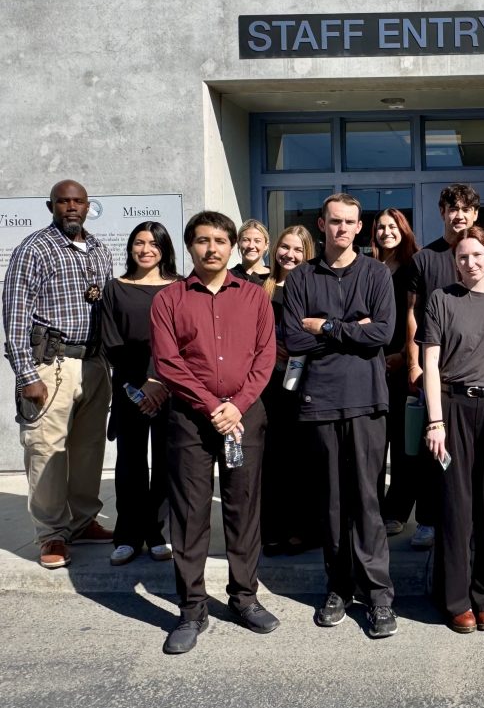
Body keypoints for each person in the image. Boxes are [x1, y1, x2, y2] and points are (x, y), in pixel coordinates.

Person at [150, 211, 278, 654]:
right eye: (202, 241)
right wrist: (212, 406)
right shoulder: (169, 299)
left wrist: (236, 406)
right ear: (190, 246)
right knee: (190, 516)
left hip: (244, 419)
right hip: (189, 419)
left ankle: (244, 597)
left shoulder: (256, 297)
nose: (212, 248)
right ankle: (191, 609)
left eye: (220, 241)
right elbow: (168, 363)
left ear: (231, 246)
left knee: (243, 509)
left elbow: (266, 357)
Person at [283, 193, 398, 639]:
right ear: (321, 225)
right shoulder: (300, 279)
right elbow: (294, 339)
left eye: (350, 222)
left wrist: (326, 326)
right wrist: (355, 329)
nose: (343, 229)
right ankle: (338, 587)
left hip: (368, 400)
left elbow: (383, 334)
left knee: (368, 501)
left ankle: (379, 596)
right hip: (320, 401)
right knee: (331, 504)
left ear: (359, 226)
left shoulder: (375, 274)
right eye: (335, 221)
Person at [2, 179, 114, 569]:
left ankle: (82, 522)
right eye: (63, 201)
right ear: (51, 206)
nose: (71, 207)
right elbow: (15, 316)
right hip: (51, 364)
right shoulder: (34, 249)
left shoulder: (99, 249)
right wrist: (25, 375)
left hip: (95, 364)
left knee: (87, 449)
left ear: (88, 205)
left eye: (78, 201)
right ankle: (51, 533)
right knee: (46, 449)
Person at [405, 183, 484, 550]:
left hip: (478, 382)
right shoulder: (425, 258)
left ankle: (469, 531)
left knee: (474, 471)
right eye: (452, 208)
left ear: (476, 214)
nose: (459, 214)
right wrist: (414, 362)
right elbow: (412, 315)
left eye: (466, 208)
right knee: (432, 451)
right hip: (436, 370)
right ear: (442, 212)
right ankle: (428, 520)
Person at [420, 226, 484, 633]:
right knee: (456, 508)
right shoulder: (442, 299)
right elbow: (430, 364)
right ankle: (456, 598)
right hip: (452, 409)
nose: (470, 262)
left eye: (477, 255)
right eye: (462, 257)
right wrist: (435, 420)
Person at [101, 221, 181, 566]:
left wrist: (158, 382)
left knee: (166, 461)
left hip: (170, 387)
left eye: (153, 243)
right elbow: (111, 343)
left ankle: (157, 532)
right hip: (130, 388)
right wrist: (140, 385)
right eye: (139, 242)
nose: (145, 249)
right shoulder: (115, 288)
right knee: (130, 462)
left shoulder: (179, 288)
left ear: (164, 248)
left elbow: (184, 342)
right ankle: (128, 535)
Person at [259, 225, 317, 557]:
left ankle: (301, 529)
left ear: (307, 253)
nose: (290, 255)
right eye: (285, 247)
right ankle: (273, 530)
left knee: (302, 461)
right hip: (269, 386)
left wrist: (297, 347)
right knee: (273, 460)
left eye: (298, 249)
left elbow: (321, 329)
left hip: (305, 383)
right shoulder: (263, 288)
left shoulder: (313, 286)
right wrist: (271, 349)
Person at [371, 208, 422, 538]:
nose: (386, 232)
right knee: (374, 443)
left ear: (403, 230)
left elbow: (418, 314)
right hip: (371, 365)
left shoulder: (414, 265)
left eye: (393, 226)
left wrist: (405, 355)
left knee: (404, 445)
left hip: (403, 364)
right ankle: (372, 507)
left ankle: (398, 510)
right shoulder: (368, 267)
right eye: (381, 227)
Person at [230, 219, 272, 284]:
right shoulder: (228, 277)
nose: (251, 246)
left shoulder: (276, 278)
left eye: (257, 241)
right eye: (246, 240)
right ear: (238, 243)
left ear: (266, 245)